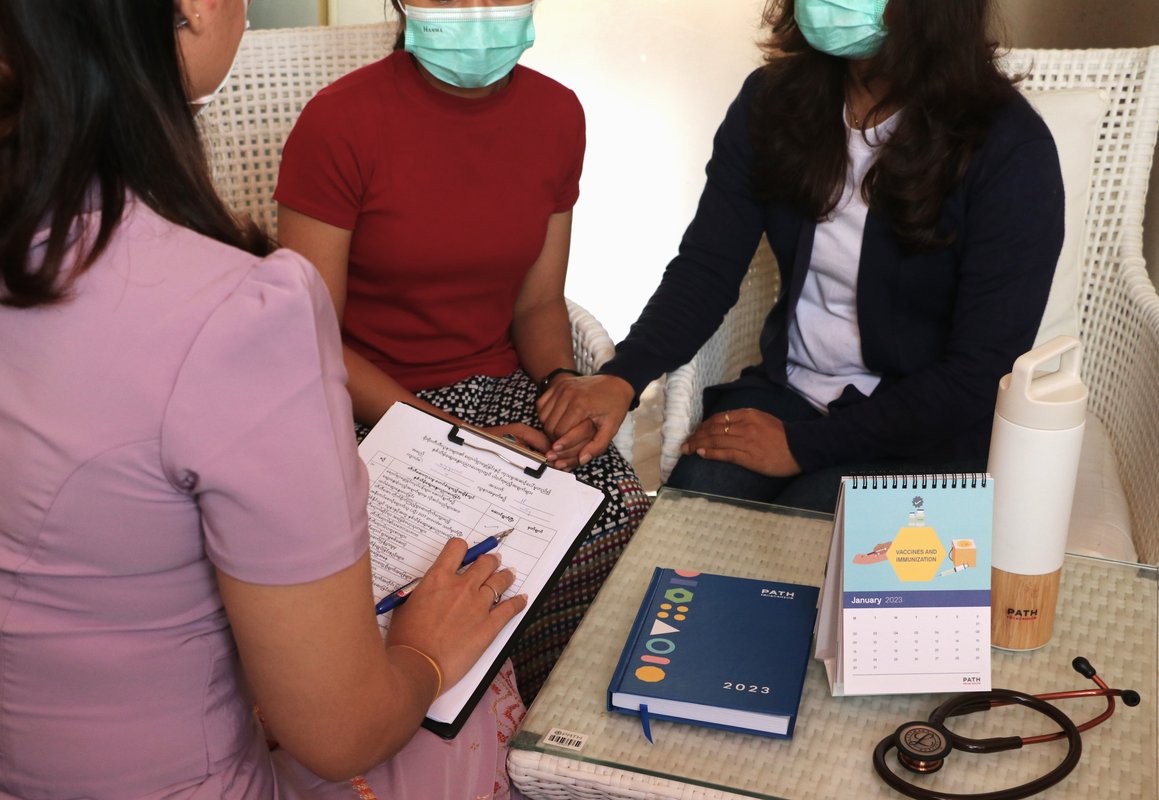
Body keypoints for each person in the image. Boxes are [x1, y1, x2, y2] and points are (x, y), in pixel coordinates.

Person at [0, 1, 530, 798]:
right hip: (174, 774)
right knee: (479, 684)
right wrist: (422, 654)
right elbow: (340, 734)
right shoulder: (239, 311)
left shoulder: (551, 113)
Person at [539, 0, 1065, 512]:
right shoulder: (772, 102)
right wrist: (624, 375)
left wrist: (803, 447)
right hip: (786, 391)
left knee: (812, 539)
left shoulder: (1012, 148)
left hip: (923, 429)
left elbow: (978, 371)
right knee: (695, 510)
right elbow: (707, 268)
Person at [274, 0, 650, 701]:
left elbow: (537, 305)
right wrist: (457, 438)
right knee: (429, 550)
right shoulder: (339, 121)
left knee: (613, 508)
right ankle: (452, 720)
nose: (476, 10)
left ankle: (548, 721)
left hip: (494, 391)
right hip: (362, 402)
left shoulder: (556, 114)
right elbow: (309, 339)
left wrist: (562, 387)